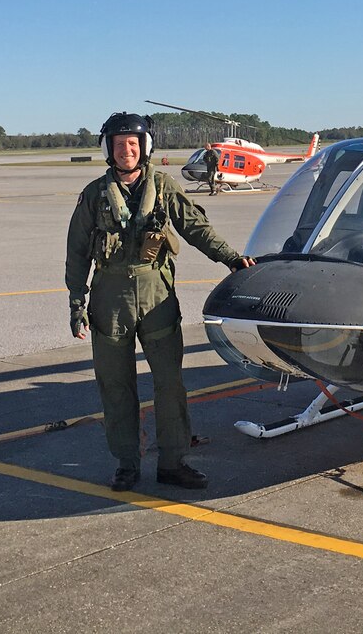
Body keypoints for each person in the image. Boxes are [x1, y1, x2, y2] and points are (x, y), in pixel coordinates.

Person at [65, 112, 254, 492]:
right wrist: (76, 302)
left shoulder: (164, 188)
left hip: (156, 297)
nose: (127, 151)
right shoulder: (93, 195)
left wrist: (231, 257)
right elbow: (77, 251)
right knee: (116, 385)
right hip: (110, 299)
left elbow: (196, 227)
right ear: (109, 150)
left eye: (133, 144)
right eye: (119, 145)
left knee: (170, 383)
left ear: (145, 147)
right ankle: (126, 463)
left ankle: (173, 461)